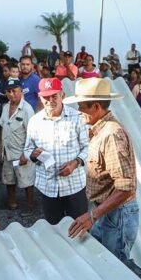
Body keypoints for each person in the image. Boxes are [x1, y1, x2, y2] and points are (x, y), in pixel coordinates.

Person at [65, 78, 138, 261]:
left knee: (115, 266)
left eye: (81, 106)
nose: (79, 111)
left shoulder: (112, 134)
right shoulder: (100, 130)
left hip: (116, 214)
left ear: (96, 107)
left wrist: (92, 216)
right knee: (104, 261)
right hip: (107, 212)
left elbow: (126, 187)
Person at [24, 77, 89, 224]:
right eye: (46, 97)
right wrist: (33, 155)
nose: (50, 100)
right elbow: (27, 149)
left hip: (74, 185)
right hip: (48, 186)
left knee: (79, 227)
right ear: (40, 98)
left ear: (62, 95)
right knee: (54, 229)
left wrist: (76, 163)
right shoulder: (35, 121)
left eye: (54, 96)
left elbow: (87, 146)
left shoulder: (77, 118)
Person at [0, 79, 35, 210]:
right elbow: (1, 127)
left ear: (21, 91)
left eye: (14, 91)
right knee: (9, 178)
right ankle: (12, 202)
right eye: (8, 91)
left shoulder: (27, 109)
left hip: (20, 152)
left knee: (26, 180)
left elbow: (32, 134)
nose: (11, 94)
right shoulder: (6, 107)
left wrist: (26, 154)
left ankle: (30, 206)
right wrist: (0, 148)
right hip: (7, 151)